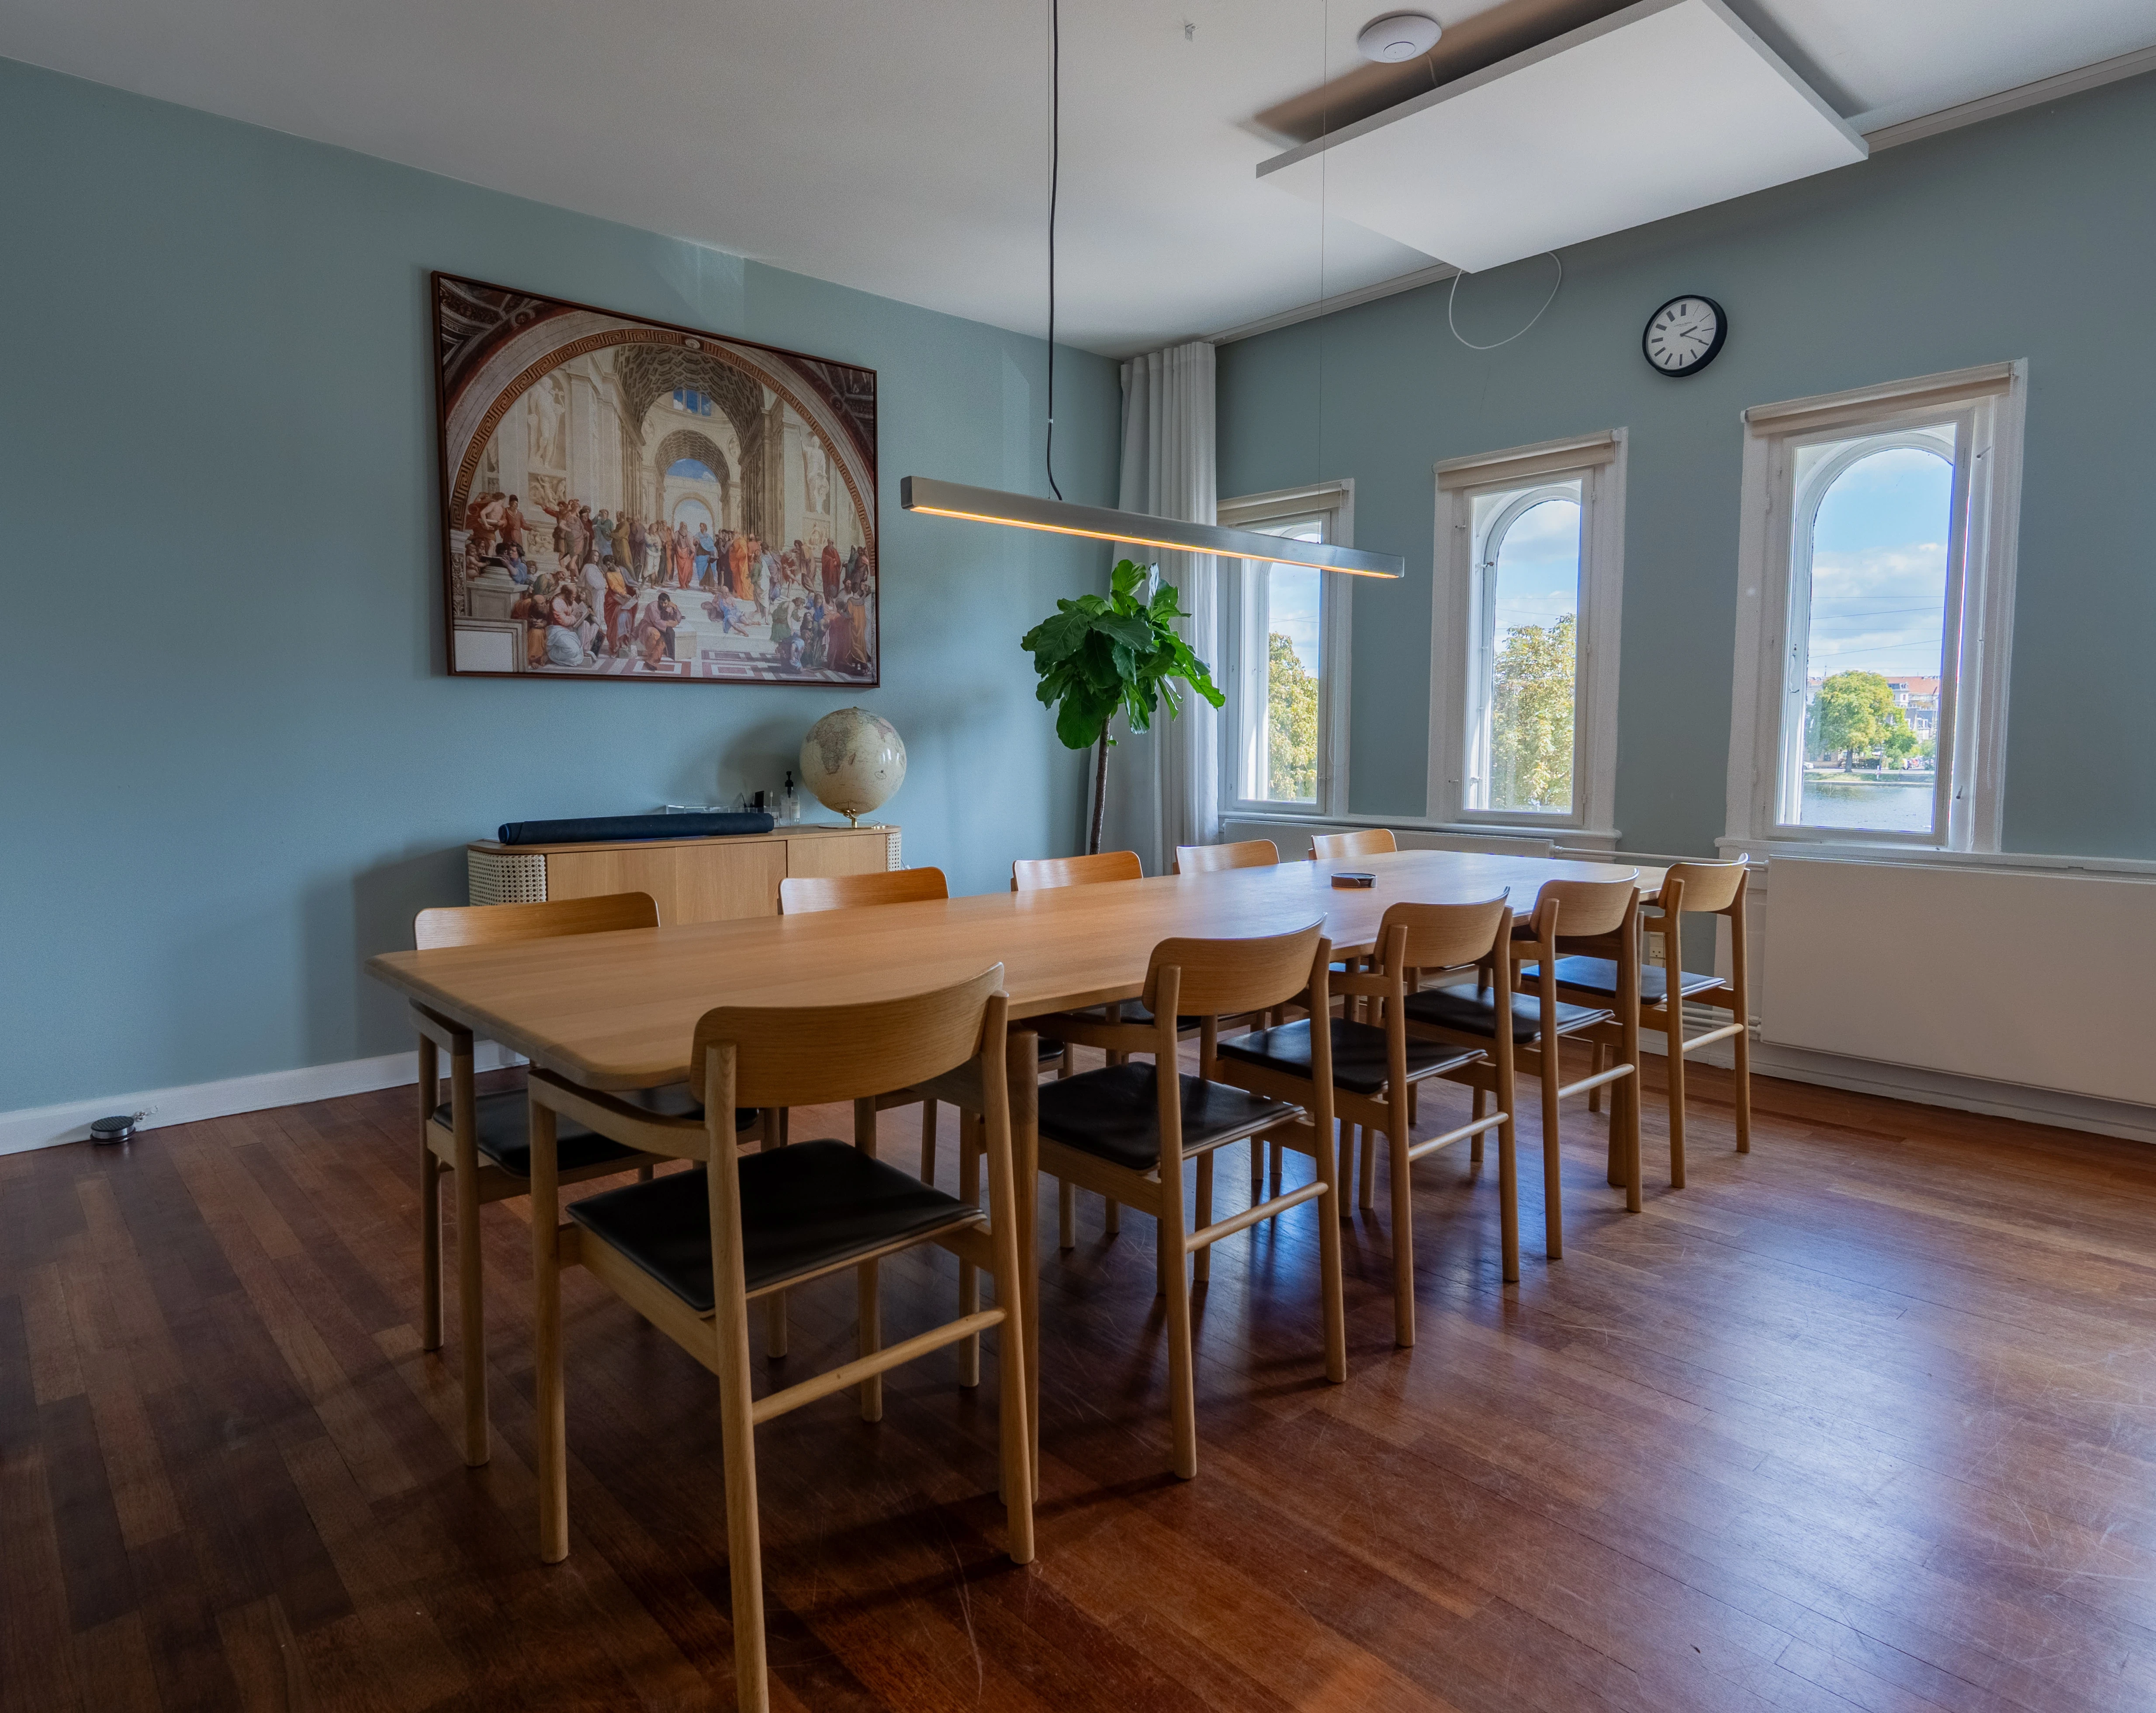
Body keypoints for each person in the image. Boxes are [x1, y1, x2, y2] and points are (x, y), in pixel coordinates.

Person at [602, 555, 634, 654]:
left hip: (625, 599)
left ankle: (624, 641)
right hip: (614, 600)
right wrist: (624, 594)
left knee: (627, 617)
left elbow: (631, 581)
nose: (609, 567)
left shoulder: (623, 570)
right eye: (607, 565)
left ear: (613, 561)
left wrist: (636, 588)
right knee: (618, 621)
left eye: (609, 564)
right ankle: (617, 644)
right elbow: (615, 587)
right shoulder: (609, 574)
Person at [580, 554, 611, 657]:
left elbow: (603, 583)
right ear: (591, 557)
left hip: (600, 596)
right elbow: (597, 585)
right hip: (594, 596)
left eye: (598, 556)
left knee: (598, 620)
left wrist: (604, 586)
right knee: (596, 620)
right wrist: (603, 585)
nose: (597, 558)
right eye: (595, 556)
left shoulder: (597, 569)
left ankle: (592, 647)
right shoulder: (589, 568)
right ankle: (587, 646)